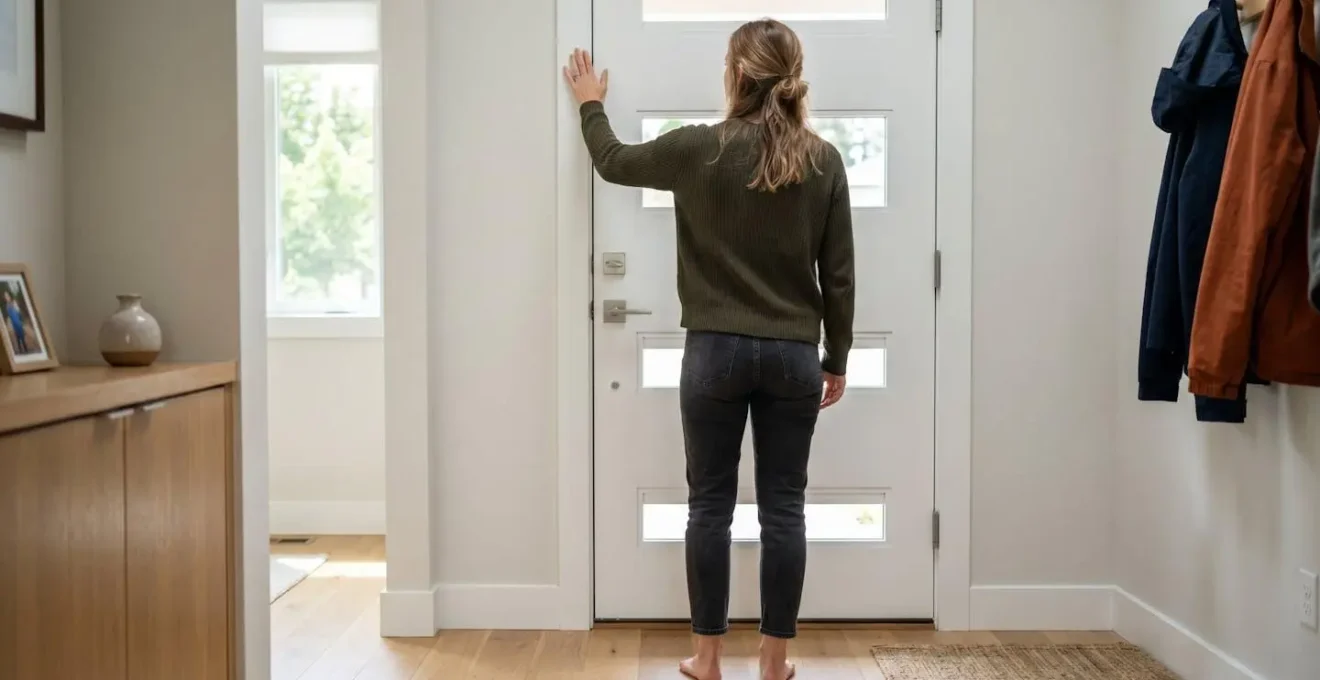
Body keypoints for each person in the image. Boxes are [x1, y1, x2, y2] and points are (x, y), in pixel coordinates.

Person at [564, 18, 854, 680]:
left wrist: (590, 103)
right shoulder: (824, 160)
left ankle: (707, 657)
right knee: (785, 507)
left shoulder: (698, 149)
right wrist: (836, 357)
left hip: (713, 356)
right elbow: (838, 276)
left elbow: (612, 162)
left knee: (709, 507)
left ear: (734, 75)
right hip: (791, 359)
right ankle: (775, 664)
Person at [4, 290, 28, 354]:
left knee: (21, 335)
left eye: (7, 295)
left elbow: (18, 312)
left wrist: (21, 320)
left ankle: (26, 349)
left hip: (17, 320)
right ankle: (20, 350)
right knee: (17, 335)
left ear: (9, 296)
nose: (6, 297)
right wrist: (9, 323)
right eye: (5, 296)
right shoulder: (7, 305)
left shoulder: (14, 302)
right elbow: (9, 315)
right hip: (13, 322)